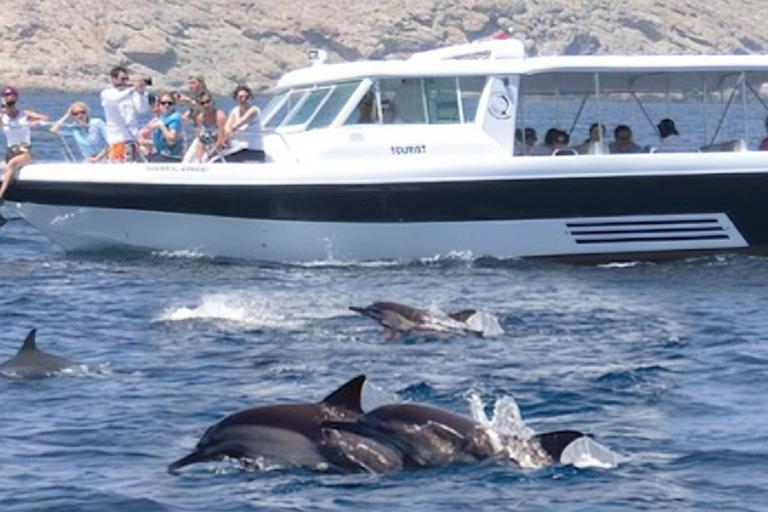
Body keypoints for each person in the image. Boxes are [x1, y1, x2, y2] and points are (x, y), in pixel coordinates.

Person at [0, 86, 48, 201]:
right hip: (11, 151)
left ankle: (0, 195)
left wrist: (35, 123)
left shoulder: (24, 114)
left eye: (10, 106)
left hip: (24, 150)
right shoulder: (2, 117)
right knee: (8, 167)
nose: (8, 109)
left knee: (11, 165)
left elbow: (45, 117)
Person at [100, 65, 150, 162]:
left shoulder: (132, 94)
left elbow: (142, 110)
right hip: (117, 139)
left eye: (127, 79)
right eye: (122, 79)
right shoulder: (107, 93)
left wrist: (141, 93)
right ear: (114, 79)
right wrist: (131, 88)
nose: (125, 81)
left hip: (132, 139)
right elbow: (115, 99)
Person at [224, 85, 265, 162]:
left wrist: (230, 130)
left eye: (246, 97)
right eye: (240, 97)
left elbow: (241, 122)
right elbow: (227, 126)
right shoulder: (235, 111)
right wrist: (225, 138)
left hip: (254, 150)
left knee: (223, 161)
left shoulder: (254, 110)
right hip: (240, 149)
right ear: (236, 98)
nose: (243, 99)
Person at [145, 91, 182, 162]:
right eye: (163, 103)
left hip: (170, 157)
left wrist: (161, 126)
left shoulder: (174, 119)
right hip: (160, 154)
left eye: (169, 103)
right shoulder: (162, 117)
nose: (167, 105)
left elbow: (171, 140)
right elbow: (149, 126)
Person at [192, 91, 227, 162]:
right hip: (207, 148)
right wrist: (199, 158)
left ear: (212, 102)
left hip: (221, 151)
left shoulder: (220, 117)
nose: (206, 105)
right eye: (202, 103)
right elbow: (200, 140)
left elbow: (221, 141)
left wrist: (208, 156)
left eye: (208, 102)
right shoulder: (200, 118)